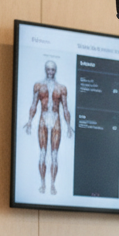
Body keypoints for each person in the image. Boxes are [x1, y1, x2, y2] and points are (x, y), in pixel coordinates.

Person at [24, 60, 72, 195]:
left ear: (55, 71)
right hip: (43, 119)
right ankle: (43, 184)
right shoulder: (38, 86)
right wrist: (29, 121)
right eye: (48, 69)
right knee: (42, 153)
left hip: (56, 119)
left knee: (54, 155)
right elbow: (34, 104)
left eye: (53, 70)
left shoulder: (61, 88)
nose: (50, 72)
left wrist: (68, 126)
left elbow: (65, 108)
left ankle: (52, 185)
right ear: (46, 70)